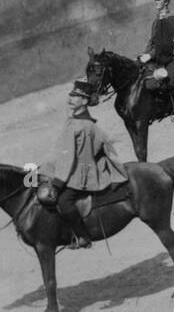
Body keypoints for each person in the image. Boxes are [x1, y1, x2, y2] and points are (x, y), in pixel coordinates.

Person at [53, 79, 128, 249]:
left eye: (76, 97)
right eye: (71, 95)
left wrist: (58, 181)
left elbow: (69, 157)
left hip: (81, 174)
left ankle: (83, 236)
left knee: (64, 201)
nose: (71, 98)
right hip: (75, 168)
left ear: (85, 101)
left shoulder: (82, 126)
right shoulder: (77, 122)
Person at [139, 0, 174, 122]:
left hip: (172, 59)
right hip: (158, 59)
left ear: (166, 2)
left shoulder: (173, 20)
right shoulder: (155, 22)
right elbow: (152, 42)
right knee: (147, 80)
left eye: (158, 0)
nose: (156, 2)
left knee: (172, 82)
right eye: (155, 0)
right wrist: (145, 55)